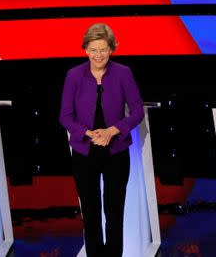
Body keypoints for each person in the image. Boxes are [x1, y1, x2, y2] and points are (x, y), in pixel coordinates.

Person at [59, 23, 144, 257]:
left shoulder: (123, 73)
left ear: (112, 49)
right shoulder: (74, 75)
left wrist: (112, 131)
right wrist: (89, 134)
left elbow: (137, 111)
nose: (98, 55)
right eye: (93, 50)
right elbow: (65, 116)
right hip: (84, 153)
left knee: (114, 212)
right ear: (85, 49)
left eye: (103, 50)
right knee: (91, 212)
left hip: (115, 152)